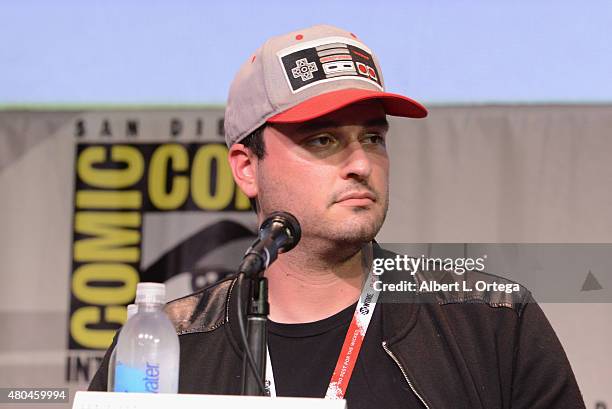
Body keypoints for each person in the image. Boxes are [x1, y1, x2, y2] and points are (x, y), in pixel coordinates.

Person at [89, 24, 585, 408]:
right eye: (322, 140)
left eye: (373, 137)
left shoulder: (490, 319)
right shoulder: (167, 344)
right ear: (246, 167)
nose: (362, 165)